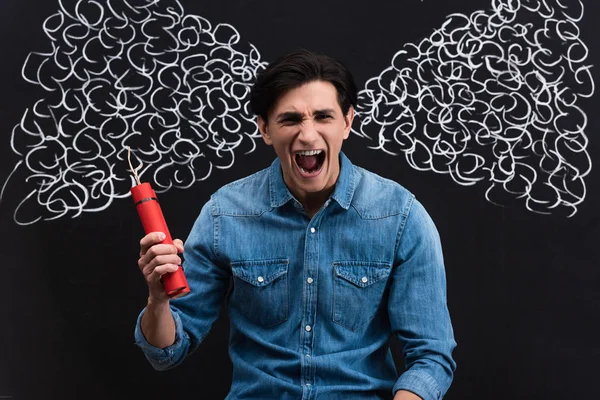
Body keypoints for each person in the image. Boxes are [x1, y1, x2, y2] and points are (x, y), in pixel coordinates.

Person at [134, 48, 457, 400]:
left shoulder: (401, 216)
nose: (307, 134)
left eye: (323, 117)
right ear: (265, 129)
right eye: (290, 119)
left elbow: (431, 358)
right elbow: (167, 352)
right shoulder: (224, 214)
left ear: (347, 122)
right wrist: (158, 299)